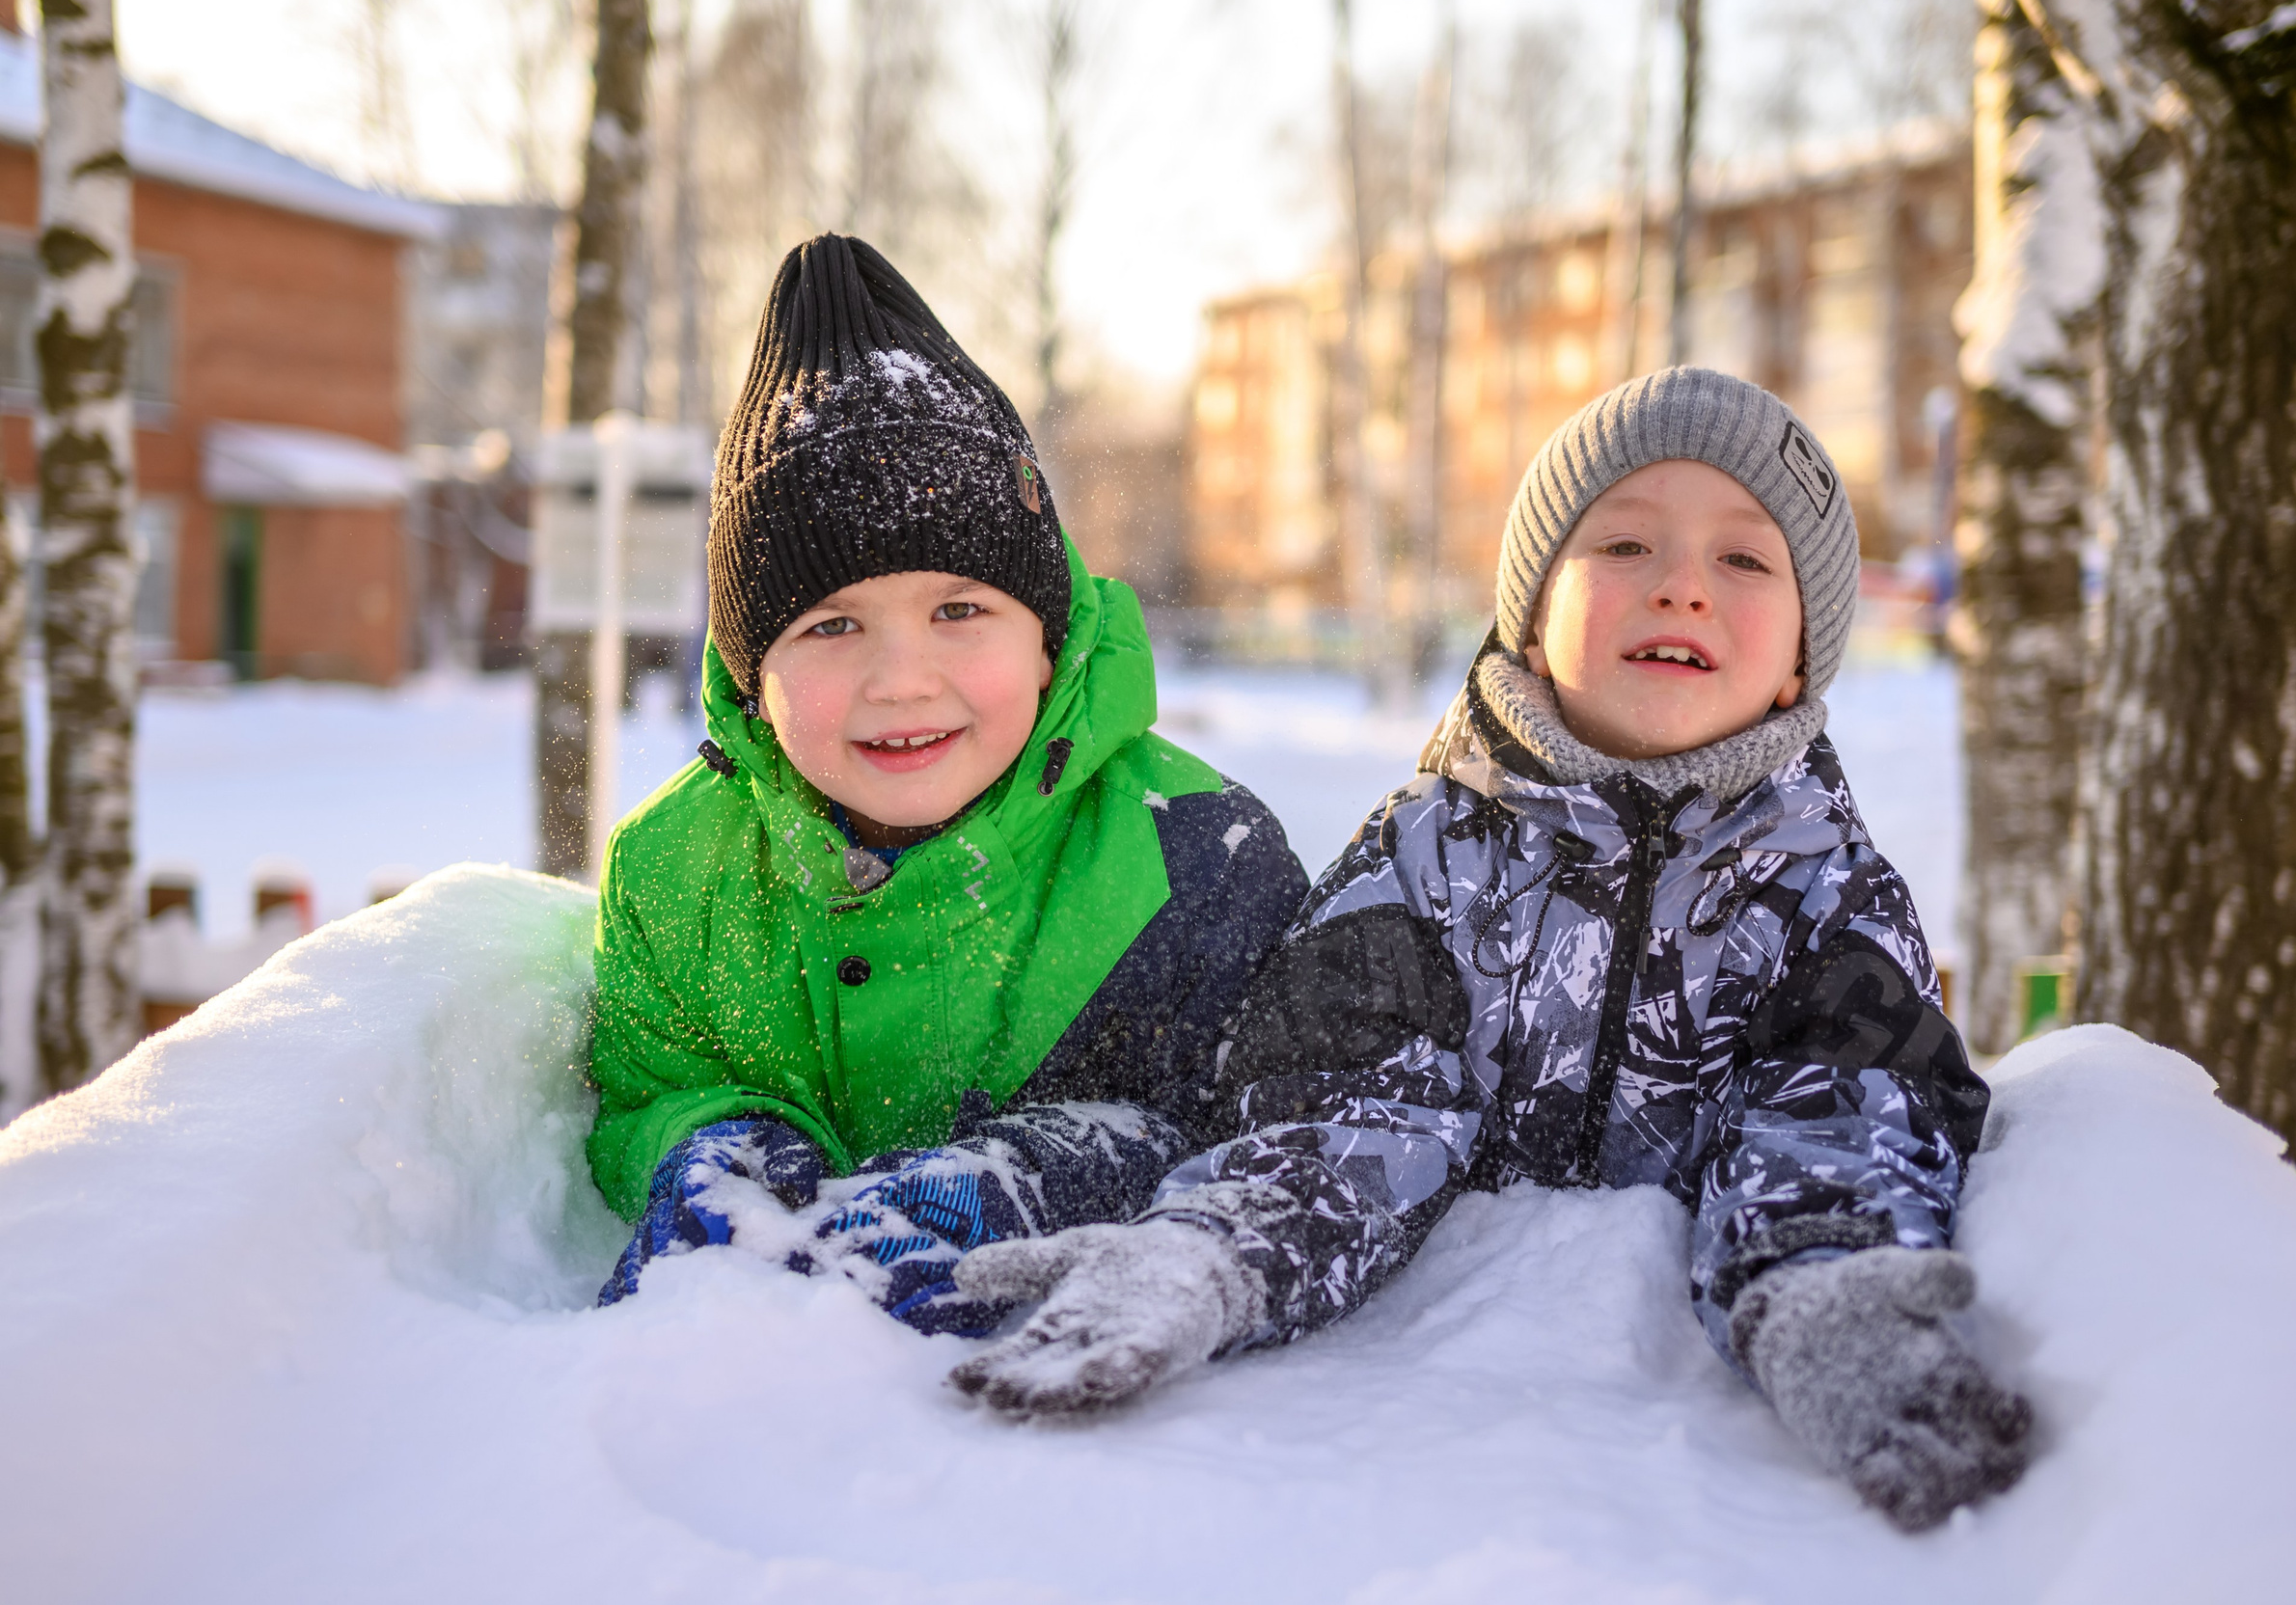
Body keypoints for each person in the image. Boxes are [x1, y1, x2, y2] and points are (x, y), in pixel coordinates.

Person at [944, 367, 2032, 1533]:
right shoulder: (1417, 859)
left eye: (1745, 560)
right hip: (1393, 1452)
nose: (1680, 586)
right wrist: (1209, 1252)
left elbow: (1846, 1113)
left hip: (1694, 1485)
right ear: (1528, 606)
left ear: (1800, 661)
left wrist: (1828, 1288)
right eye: (1622, 544)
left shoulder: (1829, 894)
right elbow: (1340, 1114)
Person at [586, 233, 1307, 1332]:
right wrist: (712, 1141)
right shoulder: (675, 872)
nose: (901, 678)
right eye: (830, 625)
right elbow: (649, 1081)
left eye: (958, 610)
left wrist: (1044, 1170)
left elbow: (1256, 1125)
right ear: (749, 674)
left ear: (1049, 635)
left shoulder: (1195, 857)